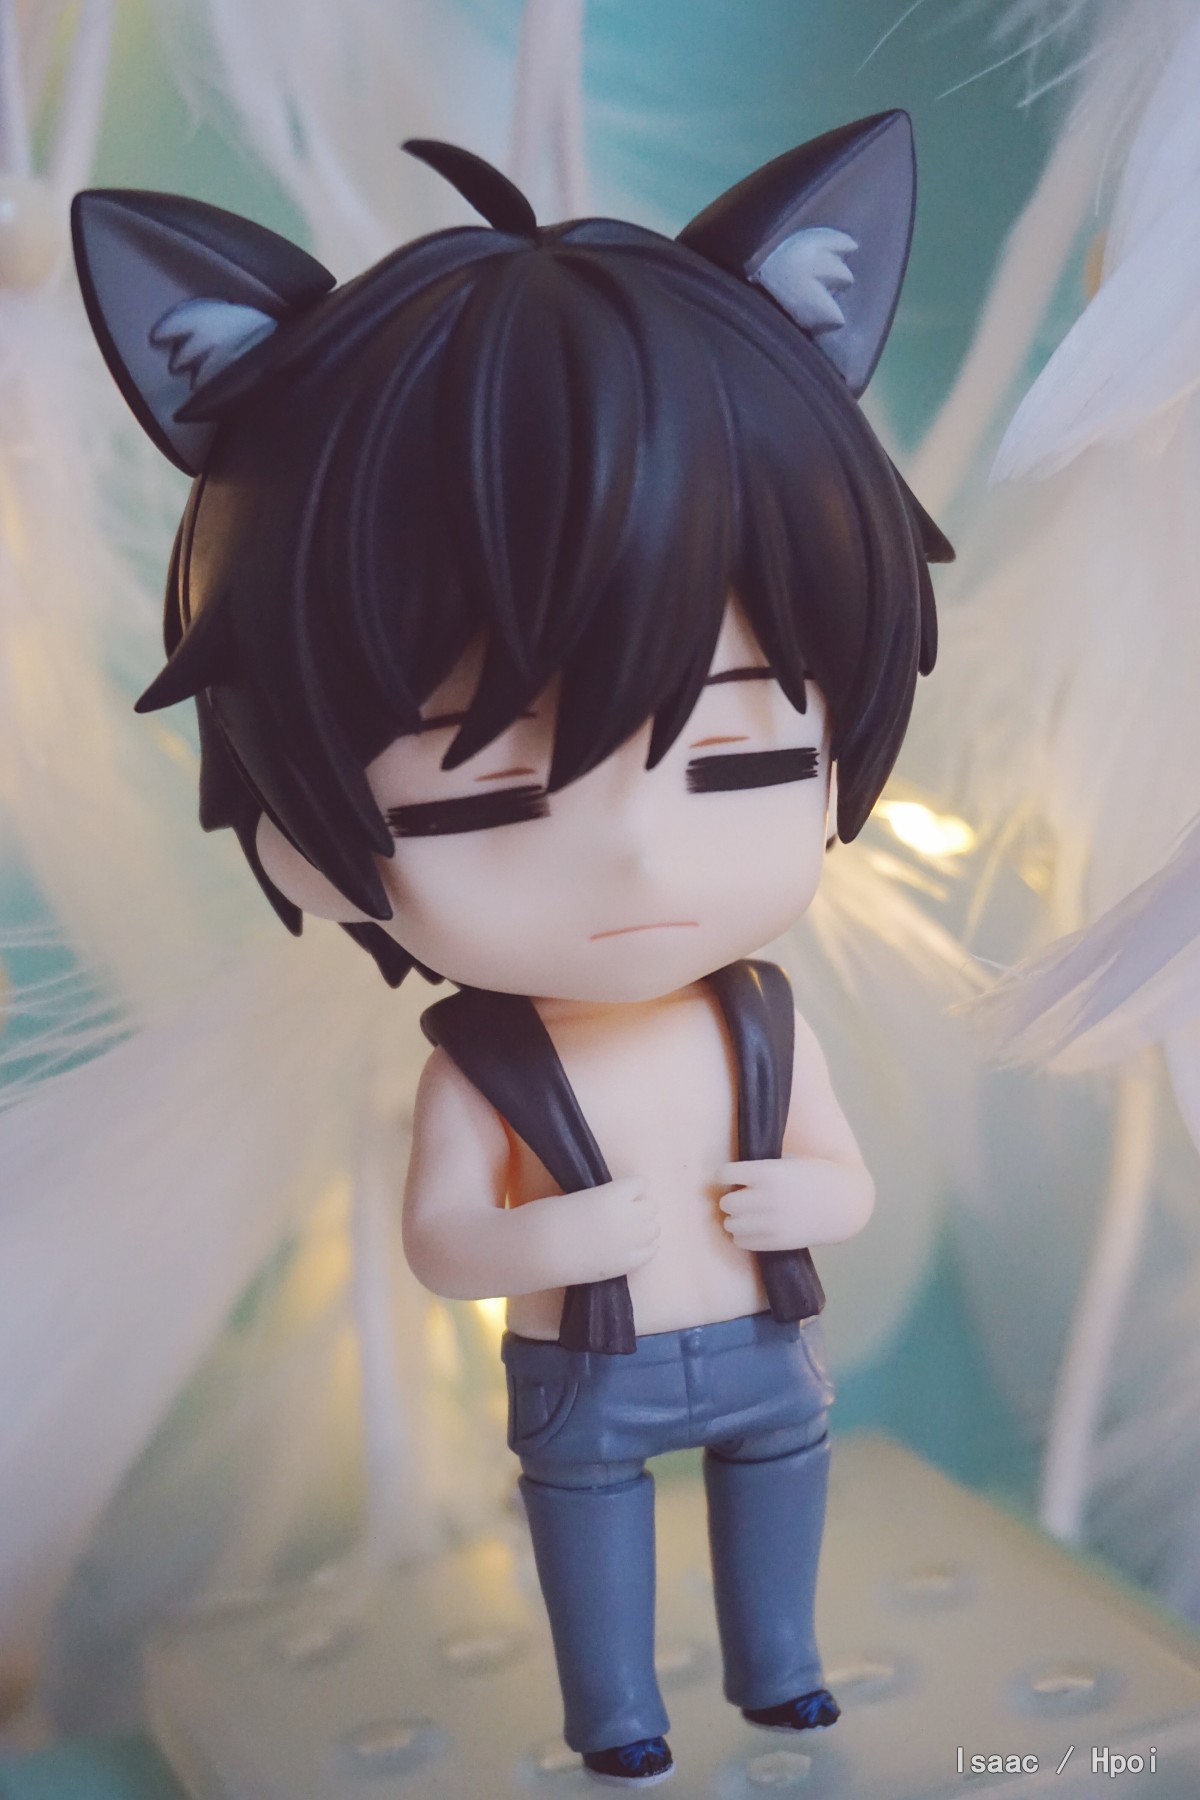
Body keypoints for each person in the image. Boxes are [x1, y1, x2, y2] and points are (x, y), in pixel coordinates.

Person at [72, 113, 950, 1785]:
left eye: (740, 765)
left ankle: (781, 1672)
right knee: (588, 1524)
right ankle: (615, 1713)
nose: (634, 853)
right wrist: (546, 1238)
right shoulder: (482, 1064)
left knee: (784, 1485)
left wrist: (810, 1201)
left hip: (764, 1348)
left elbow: (840, 1174)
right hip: (584, 1375)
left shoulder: (761, 1022)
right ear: (302, 824)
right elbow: (444, 1239)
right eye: (480, 801)